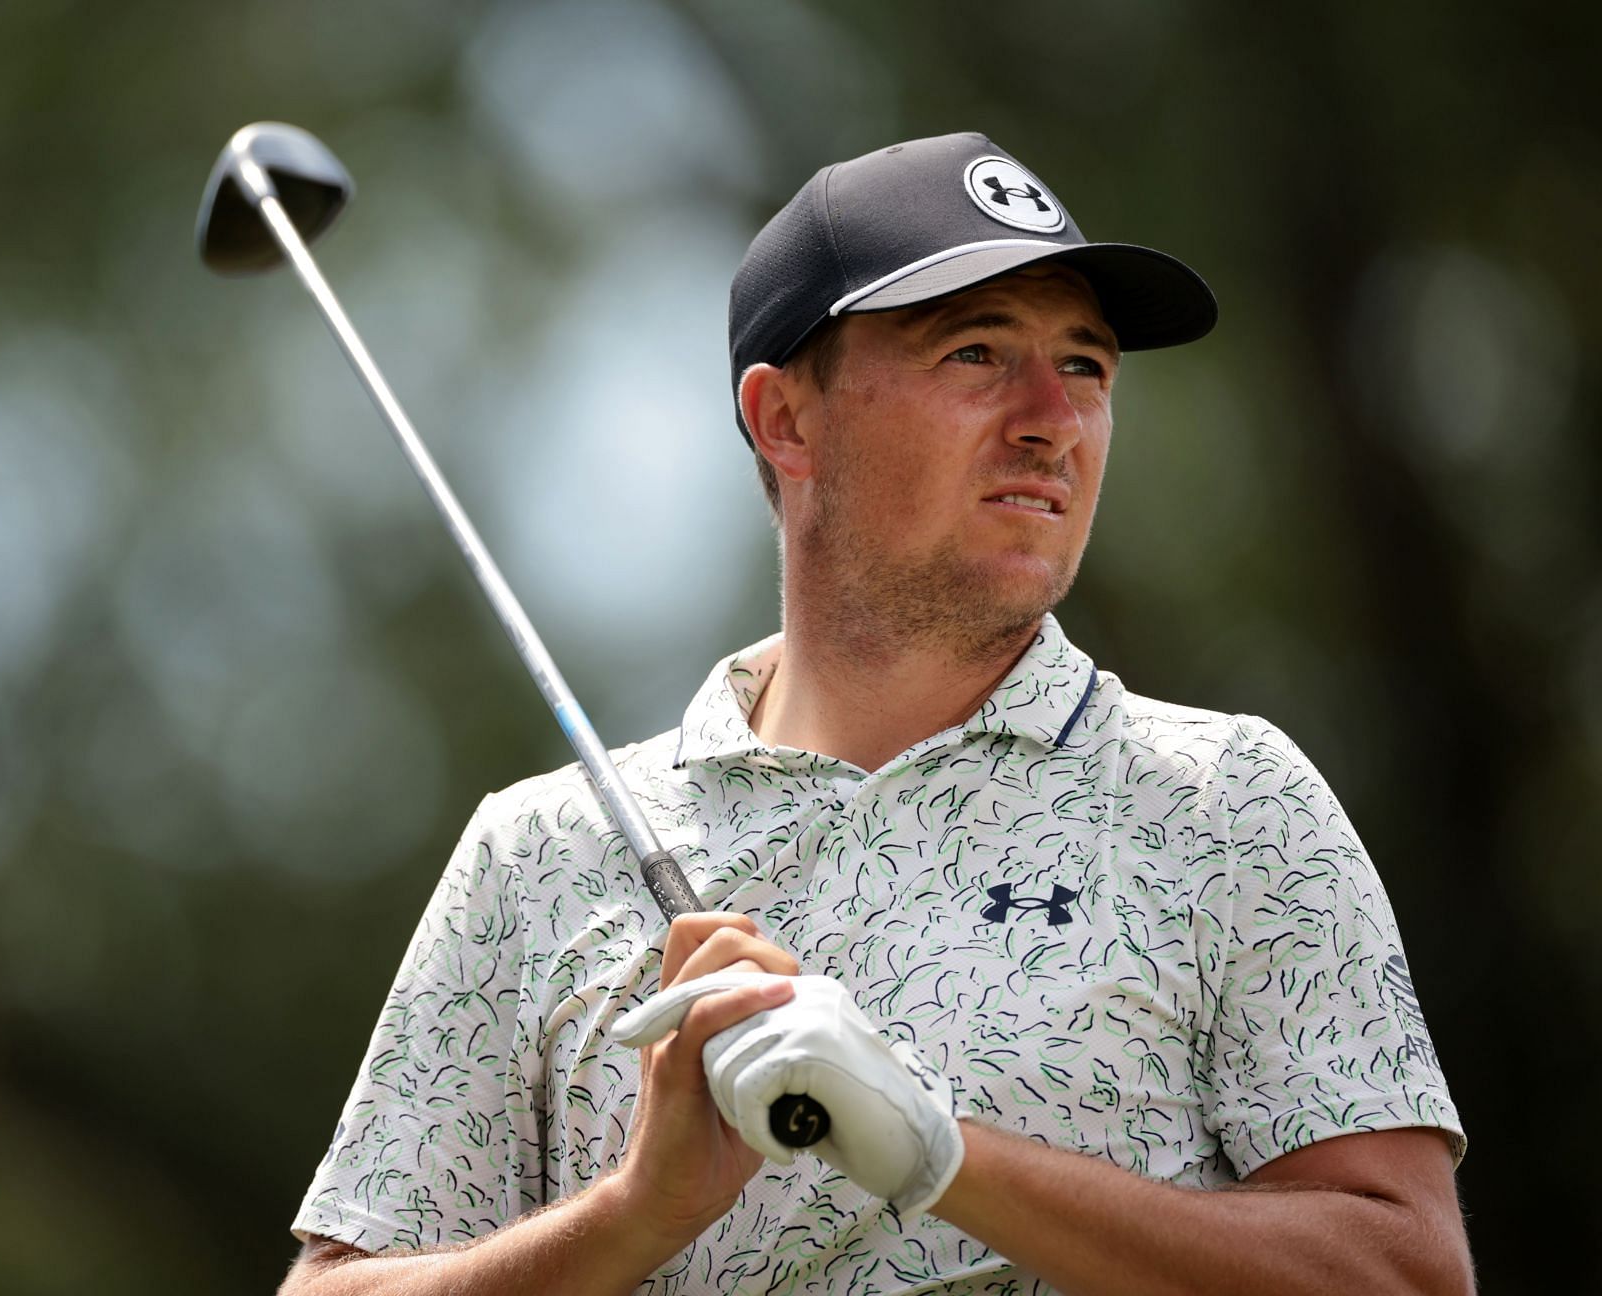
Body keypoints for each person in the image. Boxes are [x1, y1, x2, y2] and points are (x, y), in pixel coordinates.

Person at [276, 133, 1472, 1295]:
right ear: (786, 421)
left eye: (1089, 365)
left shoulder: (1229, 802)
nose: (1052, 417)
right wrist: (633, 1214)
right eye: (974, 353)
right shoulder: (540, 856)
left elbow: (1405, 1273)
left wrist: (941, 1152)